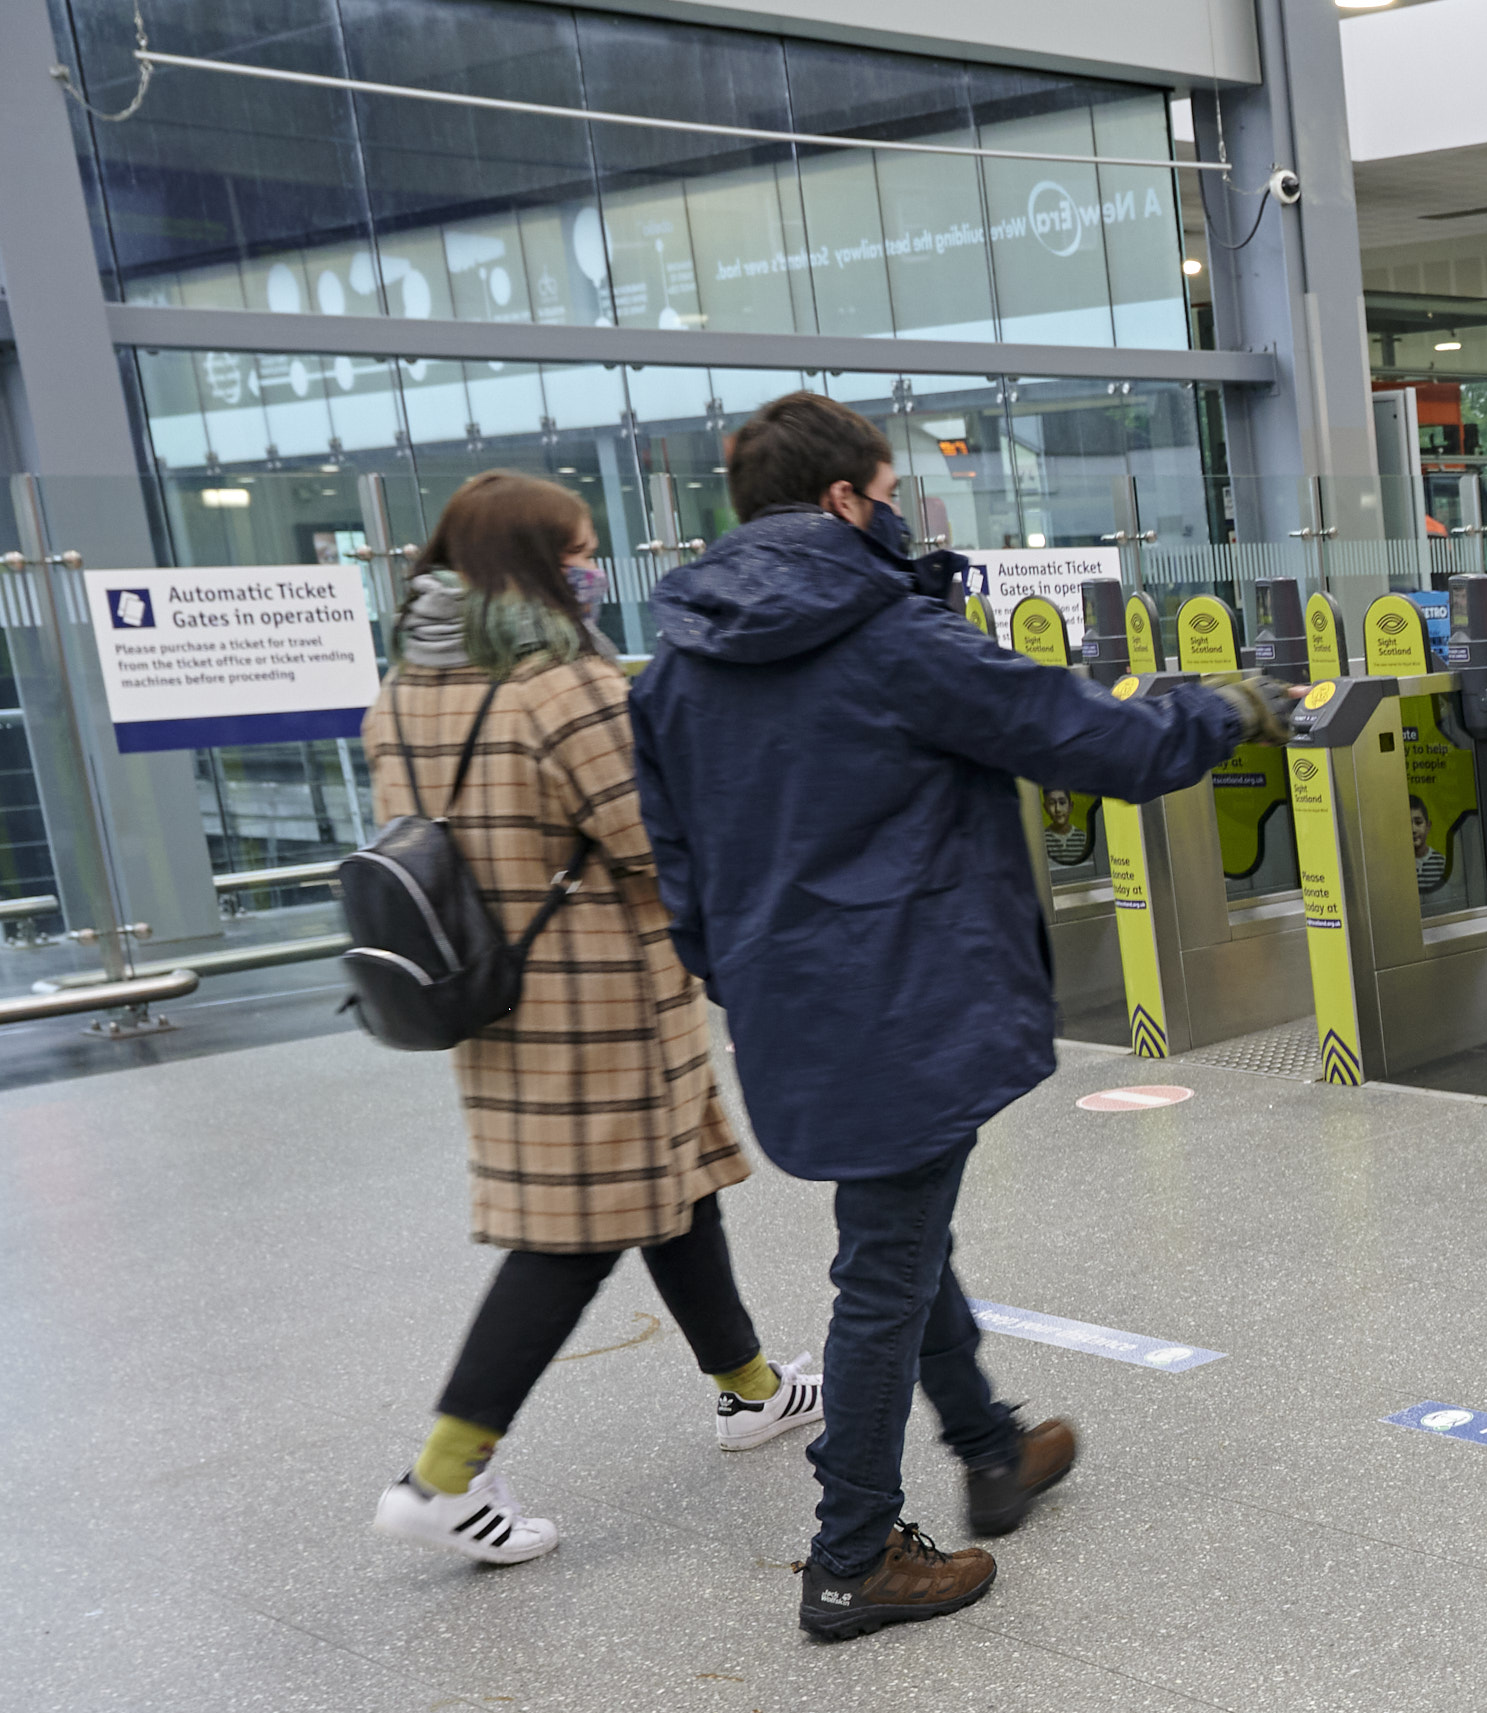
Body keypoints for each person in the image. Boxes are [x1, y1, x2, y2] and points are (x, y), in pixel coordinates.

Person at [633, 394, 1281, 1640]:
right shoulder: (891, 639)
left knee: (898, 1223)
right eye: (889, 495)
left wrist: (745, 972)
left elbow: (677, 868)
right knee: (883, 1262)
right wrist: (1226, 711)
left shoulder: (673, 668)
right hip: (904, 997)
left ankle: (988, 1445)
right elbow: (1088, 739)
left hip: (794, 1000)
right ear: (841, 501)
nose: (899, 516)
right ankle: (854, 1553)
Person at [365, 471, 821, 1567]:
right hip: (600, 1002)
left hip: (497, 995)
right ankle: (440, 1476)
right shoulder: (559, 686)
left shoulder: (401, 688)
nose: (591, 566)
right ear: (532, 564)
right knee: (568, 1242)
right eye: (575, 548)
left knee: (672, 1189)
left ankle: (749, 1388)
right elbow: (648, 837)